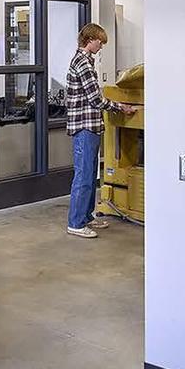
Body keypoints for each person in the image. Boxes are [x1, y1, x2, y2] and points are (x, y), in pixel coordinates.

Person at [63, 23, 135, 239]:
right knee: (84, 176)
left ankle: (86, 217)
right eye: (100, 42)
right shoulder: (83, 63)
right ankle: (75, 223)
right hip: (85, 126)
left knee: (90, 174)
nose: (101, 46)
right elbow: (95, 99)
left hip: (91, 126)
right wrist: (120, 107)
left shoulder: (85, 60)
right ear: (90, 39)